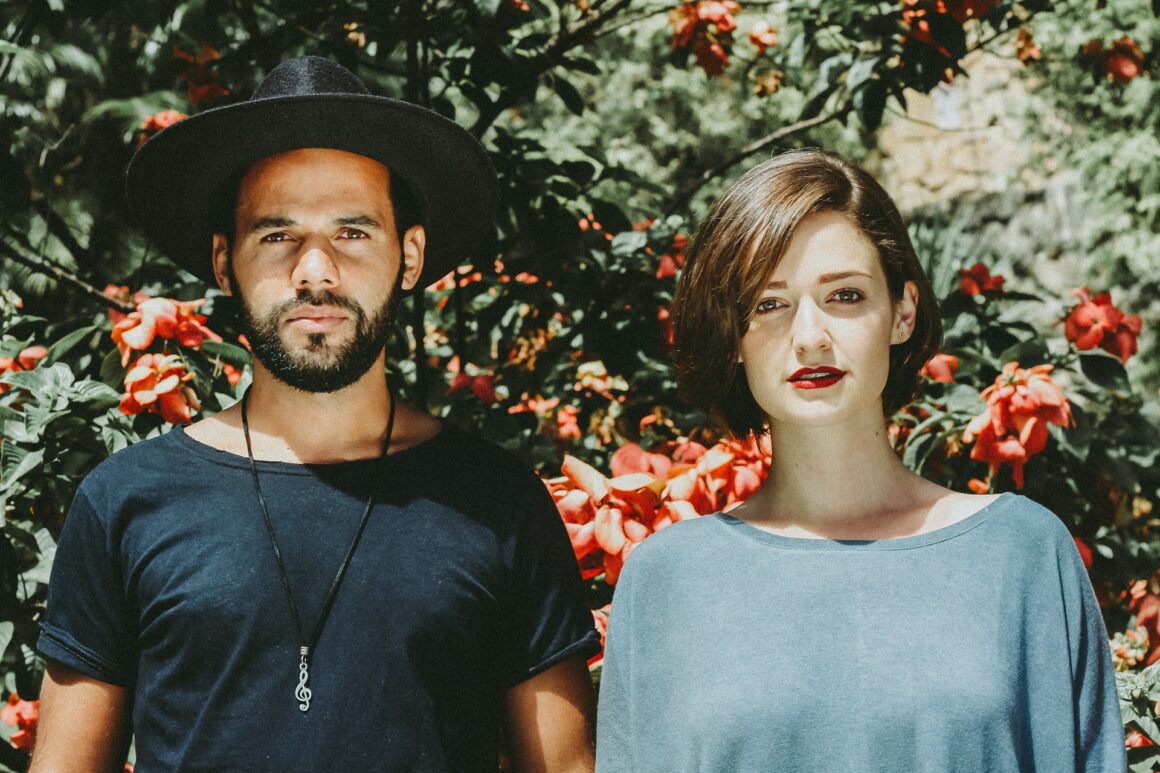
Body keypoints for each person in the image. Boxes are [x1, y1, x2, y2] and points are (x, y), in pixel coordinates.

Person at [33, 56, 599, 773]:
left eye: (352, 233)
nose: (315, 271)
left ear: (410, 256)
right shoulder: (124, 500)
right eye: (277, 236)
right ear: (223, 261)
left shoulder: (497, 502)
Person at [595, 149, 1124, 772]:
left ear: (903, 312)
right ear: (732, 333)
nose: (810, 337)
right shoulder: (666, 580)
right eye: (768, 303)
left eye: (844, 295)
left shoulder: (1023, 553)